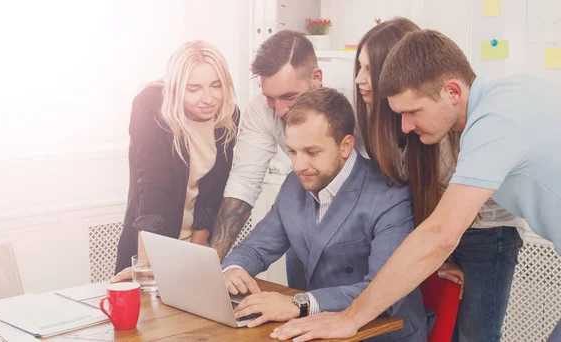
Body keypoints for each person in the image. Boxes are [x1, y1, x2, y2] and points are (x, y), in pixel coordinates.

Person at [270, 29, 561, 342]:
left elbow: (440, 234)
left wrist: (349, 318)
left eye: (412, 111)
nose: (406, 126)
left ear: (452, 91)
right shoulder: (508, 94)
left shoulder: (495, 123)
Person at [354, 18, 524, 341]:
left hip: (485, 233)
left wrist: (351, 318)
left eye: (369, 68)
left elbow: (445, 227)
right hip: (453, 232)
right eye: (358, 68)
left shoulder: (475, 123)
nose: (362, 79)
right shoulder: (405, 123)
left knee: (476, 334)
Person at [222, 87, 428, 342]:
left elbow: (383, 292)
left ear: (345, 146)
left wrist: (299, 304)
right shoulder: (292, 186)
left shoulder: (389, 195)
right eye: (292, 152)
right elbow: (255, 248)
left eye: (312, 152)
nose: (298, 166)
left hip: (382, 334)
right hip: (322, 331)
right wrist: (233, 269)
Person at [208, 31, 365, 292]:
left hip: (364, 219)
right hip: (311, 211)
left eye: (289, 97)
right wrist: (216, 264)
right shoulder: (261, 109)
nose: (279, 110)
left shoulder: (357, 97)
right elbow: (244, 182)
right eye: (271, 97)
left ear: (316, 79)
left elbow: (387, 175)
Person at [112, 41, 240, 280]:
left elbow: (213, 192)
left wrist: (196, 253)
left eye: (216, 86)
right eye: (194, 89)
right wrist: (145, 265)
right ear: (176, 88)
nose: (208, 98)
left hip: (194, 242)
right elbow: (152, 186)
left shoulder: (228, 116)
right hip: (150, 242)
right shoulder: (151, 106)